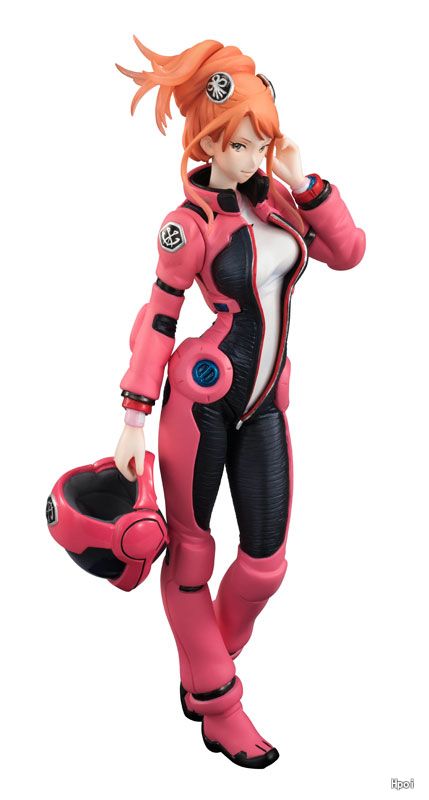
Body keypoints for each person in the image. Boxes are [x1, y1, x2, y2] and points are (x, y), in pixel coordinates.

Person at [114, 37, 366, 769]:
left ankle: (204, 664)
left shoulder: (279, 200)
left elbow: (348, 252)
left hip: (264, 405)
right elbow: (160, 316)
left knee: (264, 566)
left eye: (263, 141)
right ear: (206, 142)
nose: (255, 156)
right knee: (192, 552)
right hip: (202, 403)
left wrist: (304, 181)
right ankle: (221, 704)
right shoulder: (187, 225)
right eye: (241, 144)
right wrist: (133, 417)